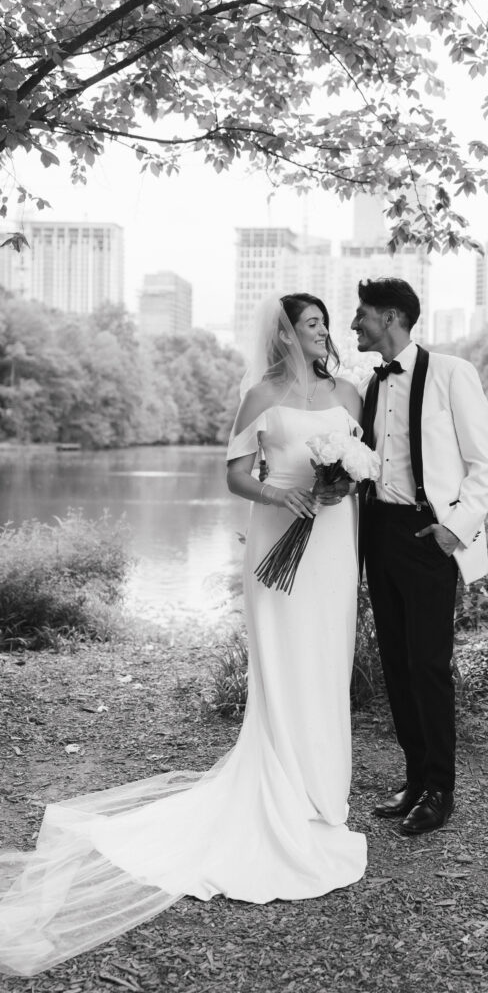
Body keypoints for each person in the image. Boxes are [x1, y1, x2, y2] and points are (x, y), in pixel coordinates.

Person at [0, 294, 366, 978]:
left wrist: (344, 486)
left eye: (324, 324)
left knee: (325, 661)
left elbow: (364, 462)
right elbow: (231, 473)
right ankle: (281, 789)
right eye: (311, 324)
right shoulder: (259, 393)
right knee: (284, 666)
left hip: (335, 544)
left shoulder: (348, 390)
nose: (323, 333)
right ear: (285, 335)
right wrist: (275, 494)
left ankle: (322, 794)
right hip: (276, 538)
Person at [352, 277, 488, 836]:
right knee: (395, 662)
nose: (354, 324)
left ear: (390, 317)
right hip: (378, 532)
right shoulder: (368, 384)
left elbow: (484, 466)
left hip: (428, 535)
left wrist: (453, 530)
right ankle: (415, 780)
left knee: (429, 666)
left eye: (362, 314)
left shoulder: (452, 373)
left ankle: (440, 790)